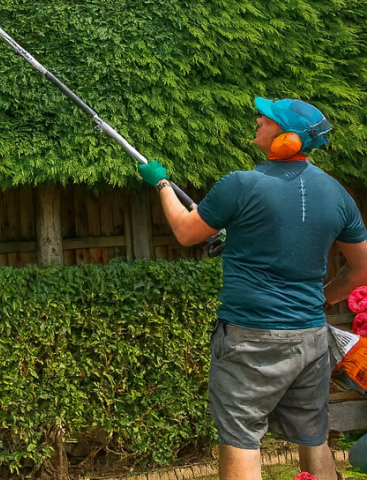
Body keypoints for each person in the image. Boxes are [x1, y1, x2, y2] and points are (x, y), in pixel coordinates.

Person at [138, 97, 367, 480]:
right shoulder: (338, 194)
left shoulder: (241, 184)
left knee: (242, 438)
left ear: (288, 139)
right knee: (312, 435)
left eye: (268, 117)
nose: (258, 119)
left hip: (249, 339)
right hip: (310, 337)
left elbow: (185, 231)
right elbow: (361, 271)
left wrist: (161, 183)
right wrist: (321, 299)